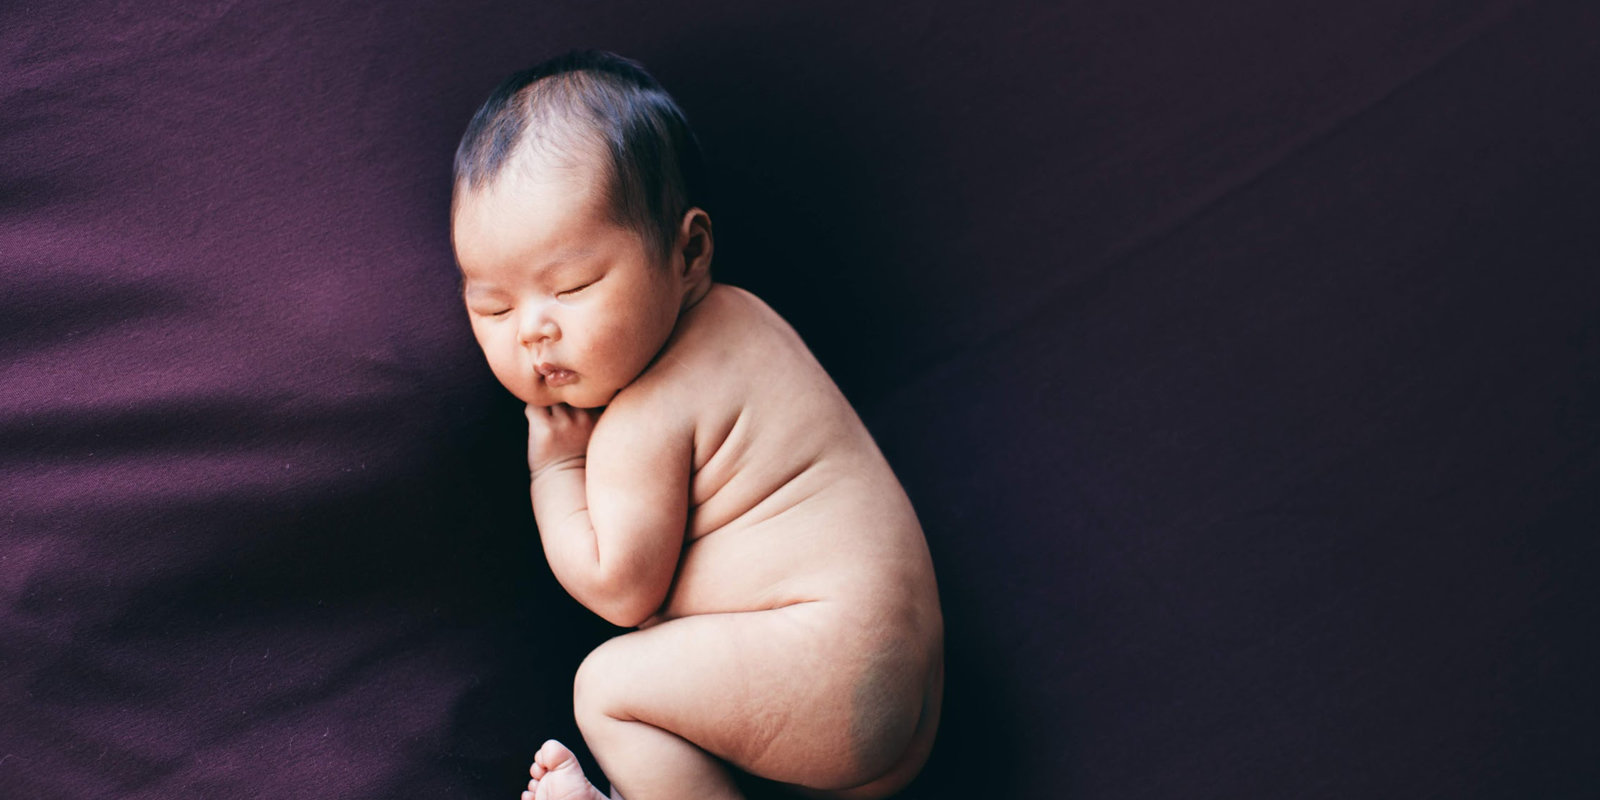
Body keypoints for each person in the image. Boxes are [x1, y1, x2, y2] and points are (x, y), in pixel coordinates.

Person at [450, 49, 943, 800]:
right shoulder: (749, 323)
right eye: (493, 306)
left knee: (609, 687)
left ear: (689, 253)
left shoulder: (649, 409)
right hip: (898, 682)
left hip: (831, 664)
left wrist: (555, 472)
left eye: (573, 286)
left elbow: (620, 589)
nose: (533, 331)